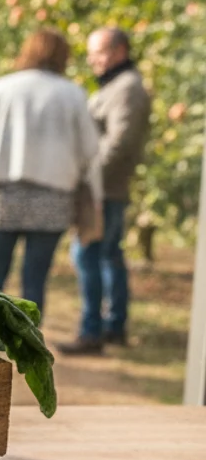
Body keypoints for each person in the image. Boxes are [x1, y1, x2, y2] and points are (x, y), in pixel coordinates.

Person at [0, 29, 101, 315]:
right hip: (53, 200)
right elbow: (90, 150)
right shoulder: (72, 94)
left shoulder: (1, 88)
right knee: (35, 280)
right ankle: (28, 347)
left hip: (3, 197)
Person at [60, 28, 152, 355]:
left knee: (87, 255)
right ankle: (113, 326)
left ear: (119, 50)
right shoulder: (117, 86)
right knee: (110, 256)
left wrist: (90, 183)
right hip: (107, 187)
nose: (93, 60)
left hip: (104, 189)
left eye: (98, 52)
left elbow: (119, 143)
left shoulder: (126, 88)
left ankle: (92, 332)